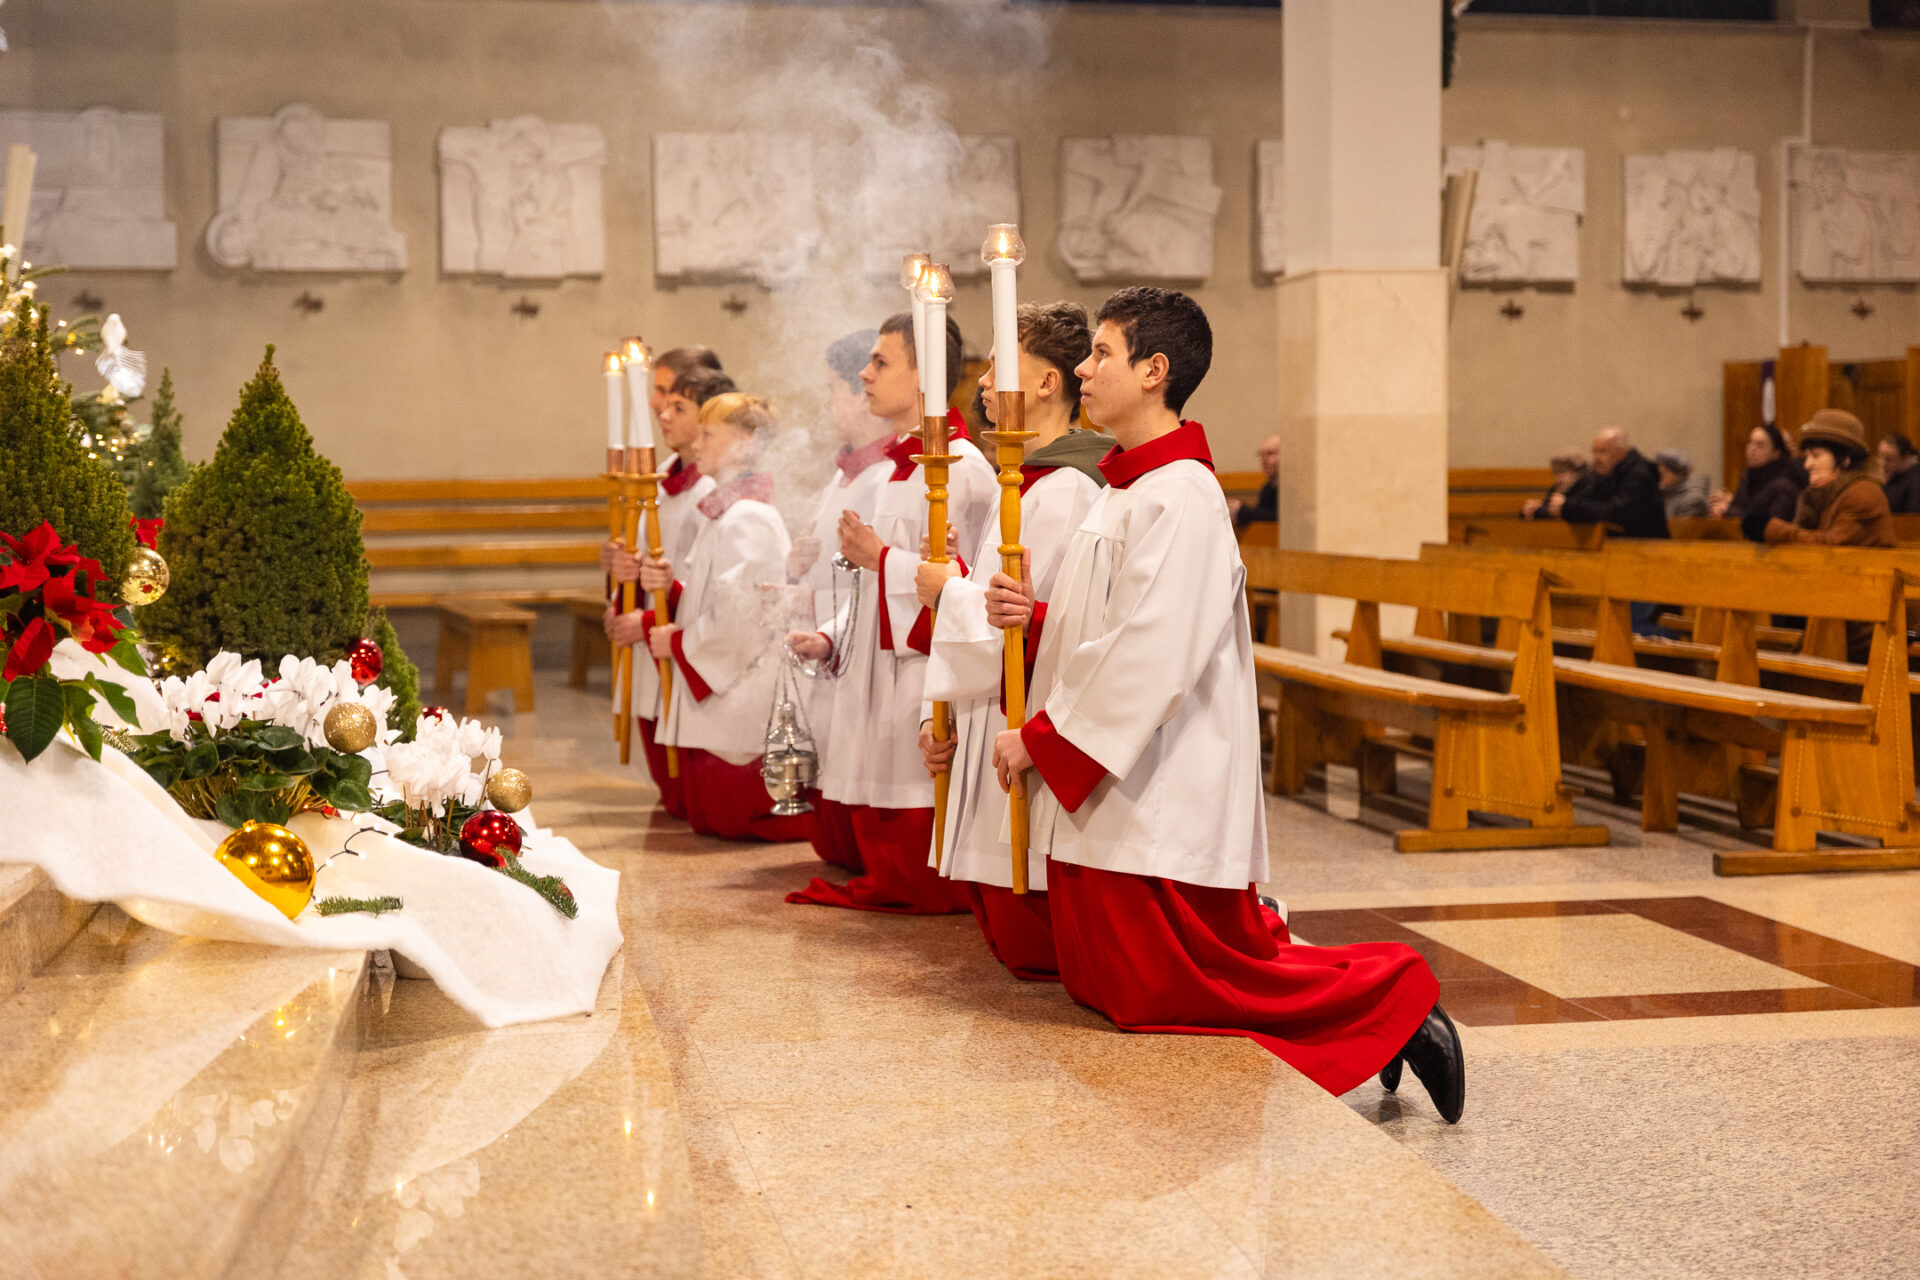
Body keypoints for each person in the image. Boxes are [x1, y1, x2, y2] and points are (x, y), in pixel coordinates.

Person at [986, 287, 1464, 1122]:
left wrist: (1044, 738)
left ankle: (1396, 1000)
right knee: (1121, 989)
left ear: (1154, 371)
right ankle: (1378, 1014)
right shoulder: (1127, 488)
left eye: (1101, 353)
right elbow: (1114, 624)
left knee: (1189, 986)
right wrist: (1042, 616)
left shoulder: (1183, 494)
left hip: (1156, 784)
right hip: (1116, 785)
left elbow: (1154, 651)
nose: (1085, 370)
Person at [915, 301, 1105, 980]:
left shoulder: (1069, 488)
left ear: (1048, 382)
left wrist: (947, 592)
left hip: (1026, 721)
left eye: (1001, 364)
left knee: (1032, 934)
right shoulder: (1023, 480)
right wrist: (935, 718)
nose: (986, 380)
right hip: (988, 714)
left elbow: (1044, 629)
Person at [784, 312, 996, 913]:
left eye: (881, 362)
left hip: (924, 672)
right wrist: (833, 635)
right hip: (880, 666)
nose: (864, 374)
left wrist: (881, 557)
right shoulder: (897, 471)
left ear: (924, 374)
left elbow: (969, 593)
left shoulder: (965, 469)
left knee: (917, 835)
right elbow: (870, 589)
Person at [619, 393, 810, 842]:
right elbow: (715, 600)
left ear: (745, 444)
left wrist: (677, 642)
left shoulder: (748, 517)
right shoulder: (725, 513)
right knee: (710, 819)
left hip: (741, 696)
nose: (696, 444)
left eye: (708, 434)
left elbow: (741, 622)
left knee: (733, 820)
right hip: (721, 692)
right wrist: (672, 590)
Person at [785, 329, 894, 871]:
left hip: (853, 651)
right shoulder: (846, 472)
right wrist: (796, 570)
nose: (828, 402)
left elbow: (871, 577)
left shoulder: (883, 477)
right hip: (829, 648)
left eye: (833, 389)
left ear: (859, 392)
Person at [604, 362, 730, 818]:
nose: (664, 415)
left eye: (679, 407)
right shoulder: (656, 476)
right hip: (649, 636)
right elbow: (640, 554)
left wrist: (649, 618)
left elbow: (712, 583)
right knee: (664, 770)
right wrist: (619, 577)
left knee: (686, 783)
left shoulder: (712, 488)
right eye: (665, 404)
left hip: (676, 632)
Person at [1759, 409, 1894, 663]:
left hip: (1867, 620)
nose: (1807, 464)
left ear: (1845, 459)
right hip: (1837, 610)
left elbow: (1831, 546)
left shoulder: (1863, 493)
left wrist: (1781, 531)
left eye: (1816, 455)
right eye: (1806, 456)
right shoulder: (1826, 496)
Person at [1550, 427, 1669, 539]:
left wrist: (1568, 507)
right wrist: (1556, 505)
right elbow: (1582, 500)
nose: (1596, 458)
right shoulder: (1600, 473)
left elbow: (1615, 513)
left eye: (1602, 451)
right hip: (1614, 544)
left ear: (1622, 453)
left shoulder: (1639, 476)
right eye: (1595, 451)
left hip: (1645, 545)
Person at [1709, 424, 1805, 526]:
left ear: (1775, 453)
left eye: (1760, 445)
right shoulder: (1748, 476)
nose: (1751, 449)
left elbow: (1772, 525)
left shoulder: (1785, 484)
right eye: (1750, 442)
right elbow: (1736, 509)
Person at [1229, 434, 1278, 531]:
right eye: (1261, 455)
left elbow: (1280, 517)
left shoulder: (1293, 489)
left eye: (1270, 454)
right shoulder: (1267, 489)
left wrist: (1242, 511)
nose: (1264, 461)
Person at [1522, 452, 1588, 521]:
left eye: (1562, 472)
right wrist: (1531, 508)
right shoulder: (1557, 488)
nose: (1557, 479)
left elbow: (1563, 512)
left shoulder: (1585, 489)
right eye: (1555, 473)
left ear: (1578, 474)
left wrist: (1538, 510)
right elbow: (1546, 509)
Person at [1656, 450, 1711, 520]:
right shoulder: (1665, 494)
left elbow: (1681, 527)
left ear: (1678, 474)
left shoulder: (1694, 501)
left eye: (1662, 474)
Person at [1878, 431, 1920, 515]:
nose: (1883, 463)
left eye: (1889, 459)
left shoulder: (1916, 480)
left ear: (1906, 457)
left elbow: (1913, 517)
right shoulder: (1894, 473)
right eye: (1880, 456)